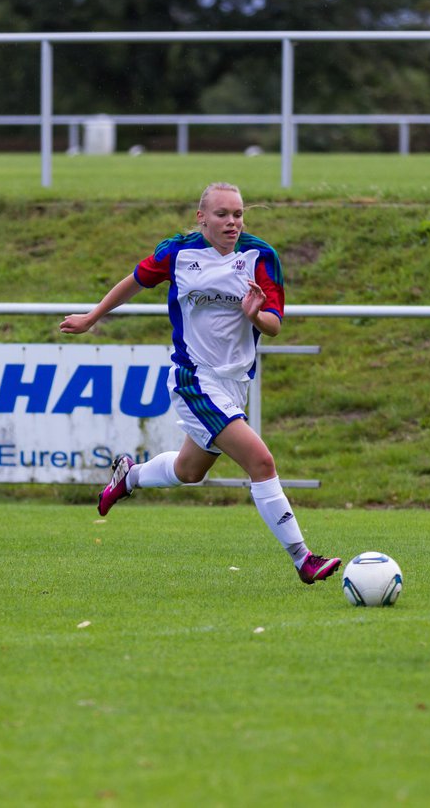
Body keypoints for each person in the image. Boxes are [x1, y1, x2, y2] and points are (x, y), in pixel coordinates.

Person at [60, 182, 341, 585]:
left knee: (189, 471)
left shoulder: (261, 256)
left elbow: (275, 326)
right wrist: (92, 317)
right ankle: (304, 559)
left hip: (234, 383)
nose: (232, 222)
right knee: (261, 462)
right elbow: (134, 280)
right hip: (195, 379)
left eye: (238, 214)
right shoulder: (178, 253)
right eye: (223, 214)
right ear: (201, 217)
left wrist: (255, 315)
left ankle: (131, 476)